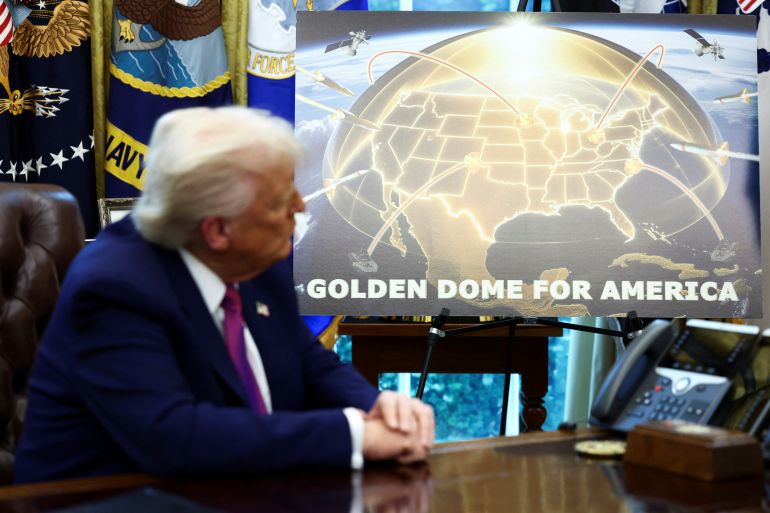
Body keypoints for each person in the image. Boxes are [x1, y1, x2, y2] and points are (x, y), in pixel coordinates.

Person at [14, 106, 434, 483]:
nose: (301, 206)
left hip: (232, 490)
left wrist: (379, 407)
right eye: (278, 200)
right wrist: (355, 435)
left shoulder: (254, 256)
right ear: (217, 230)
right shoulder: (114, 287)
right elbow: (174, 437)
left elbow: (306, 360)